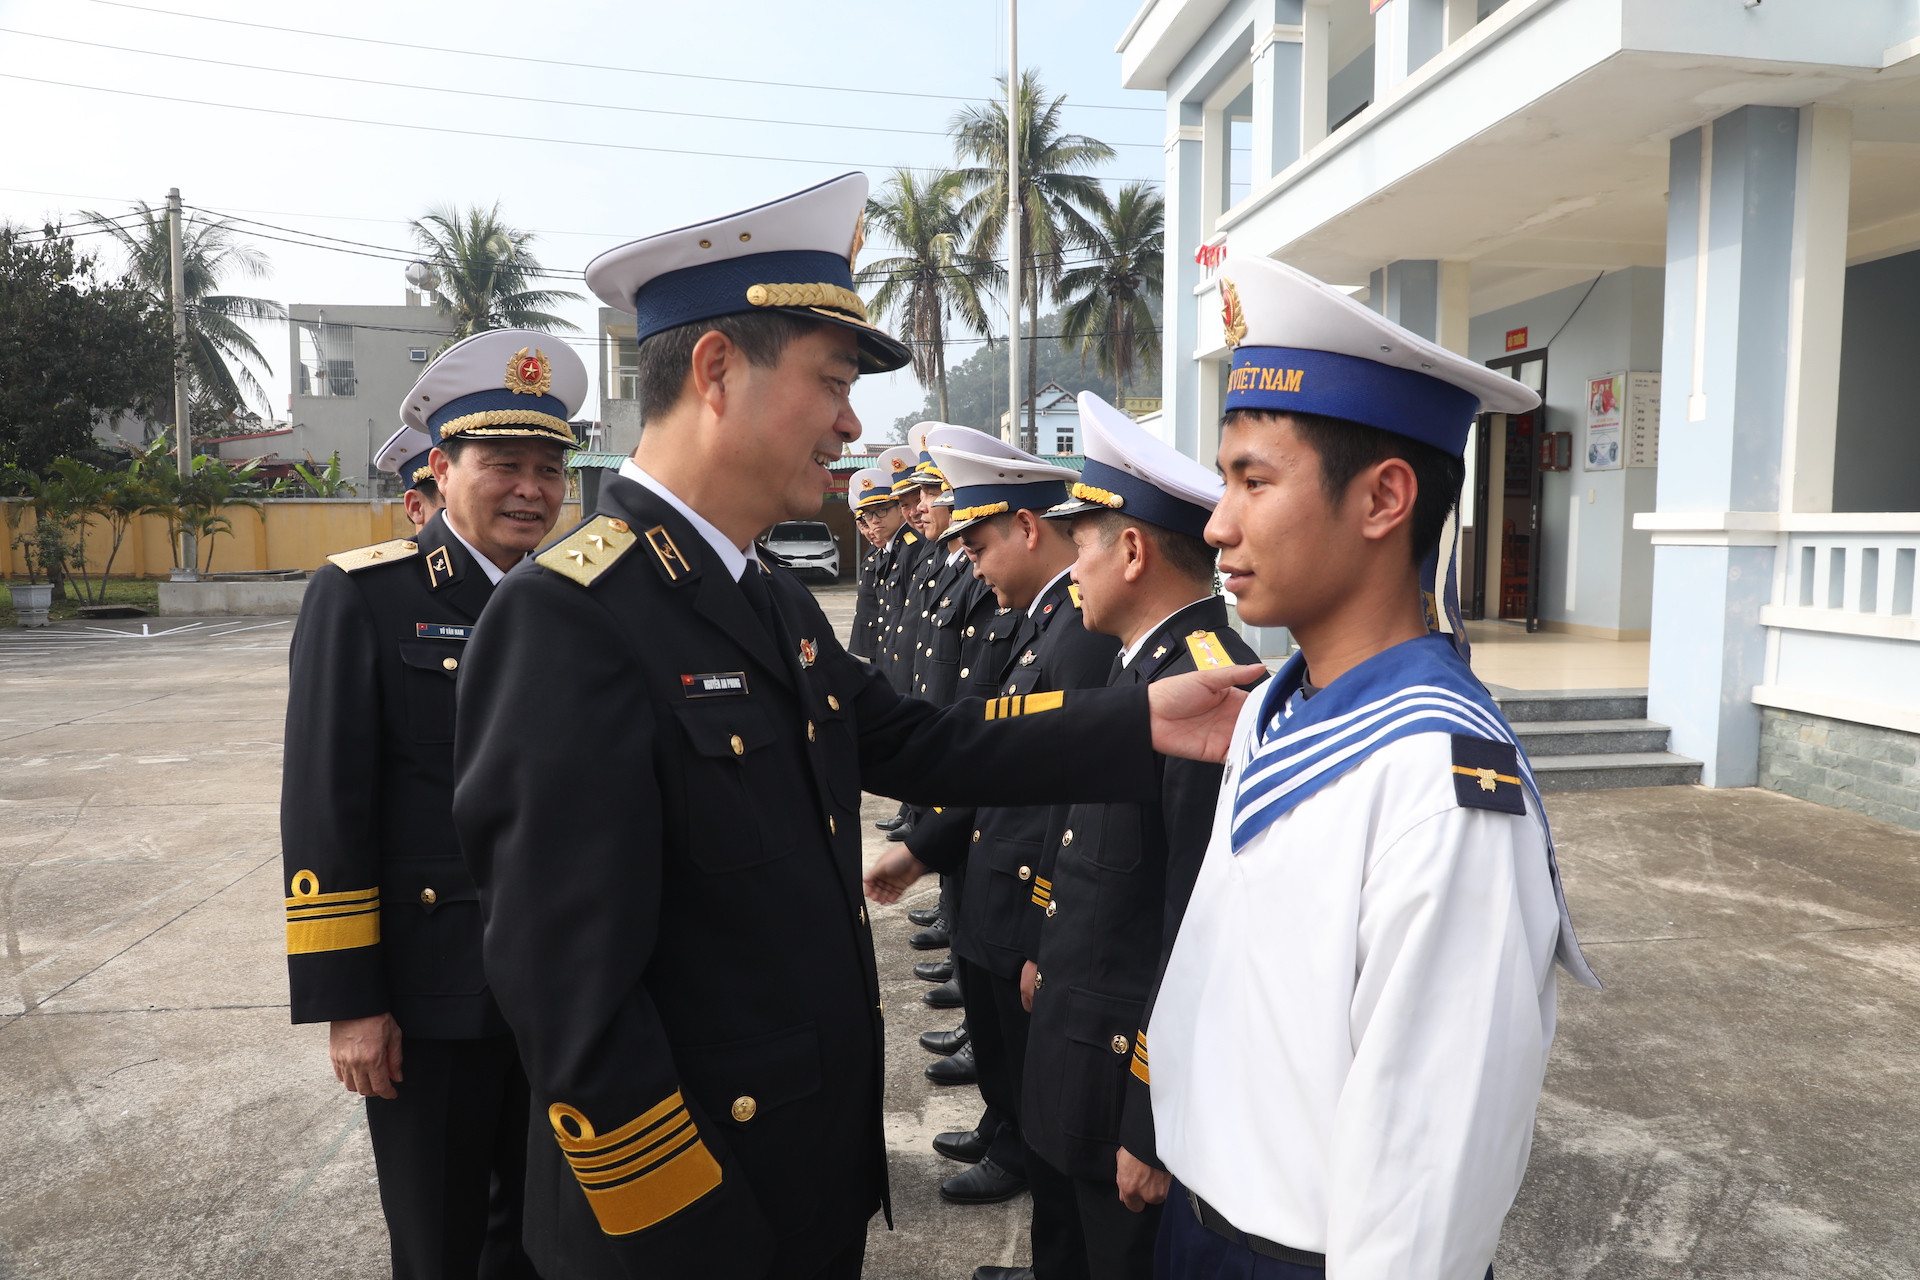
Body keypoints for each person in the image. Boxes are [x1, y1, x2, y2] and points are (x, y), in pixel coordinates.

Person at [448, 174, 1221, 1280]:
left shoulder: (763, 592)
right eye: (833, 382)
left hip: (803, 1180)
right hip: (692, 1226)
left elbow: (921, 740)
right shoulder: (569, 618)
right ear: (717, 370)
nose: (854, 424)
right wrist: (688, 1227)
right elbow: (568, 999)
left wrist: (1136, 717)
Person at [1144, 256, 1599, 1280]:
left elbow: (1427, 1176)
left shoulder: (1443, 782)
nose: (1217, 523)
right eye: (1225, 479)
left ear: (1385, 498)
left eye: (1255, 480)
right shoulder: (1275, 703)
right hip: (1198, 1222)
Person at [279, 328, 586, 1280]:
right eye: (504, 465)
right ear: (443, 470)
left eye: (549, 468)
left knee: (546, 1244)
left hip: (565, 997)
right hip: (432, 1001)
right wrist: (351, 1004)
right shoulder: (363, 597)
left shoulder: (578, 604)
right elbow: (326, 810)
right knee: (441, 1246)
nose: (531, 489)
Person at [1008, 392, 1264, 1280]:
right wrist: (1043, 946)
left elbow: (1196, 932)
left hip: (1124, 1082)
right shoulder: (1136, 670)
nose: (1071, 569)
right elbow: (1081, 847)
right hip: (1073, 1052)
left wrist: (1150, 1126)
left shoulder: (1210, 689)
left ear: (1130, 550)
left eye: (1080, 546)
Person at [870, 438, 1123, 1231]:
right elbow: (991, 746)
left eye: (979, 546)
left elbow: (1067, 799)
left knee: (1035, 1087)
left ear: (1027, 528)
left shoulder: (1078, 633)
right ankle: (1006, 1133)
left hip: (1025, 891)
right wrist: (928, 846)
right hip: (991, 873)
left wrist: (1045, 930)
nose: (973, 566)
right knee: (1007, 1060)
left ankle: (1019, 1158)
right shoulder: (1040, 621)